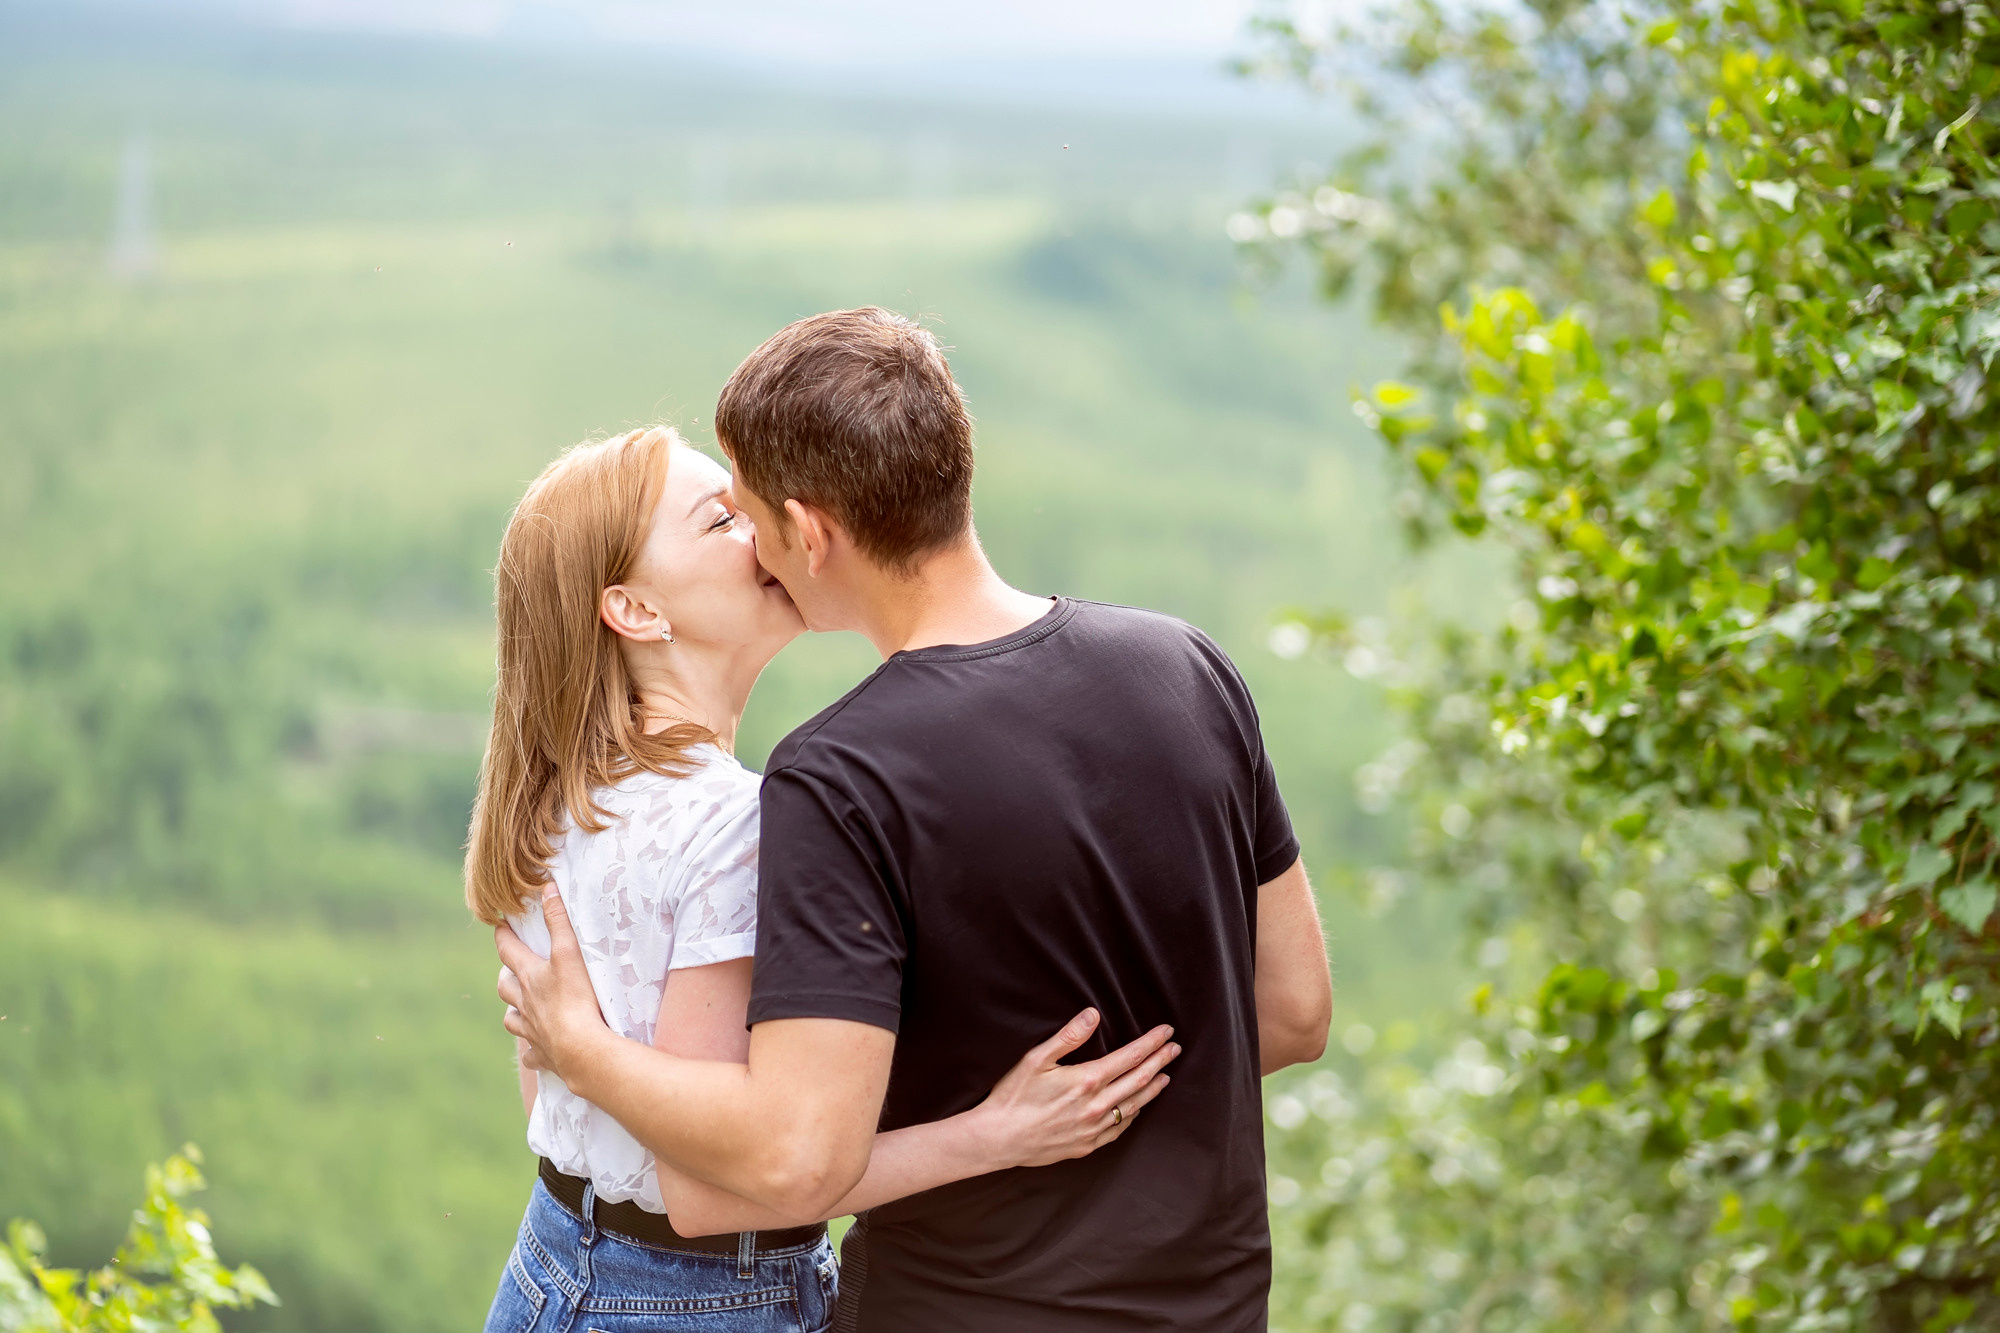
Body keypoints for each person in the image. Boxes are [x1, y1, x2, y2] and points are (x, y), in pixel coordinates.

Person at [499, 308, 1334, 1331]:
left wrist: (585, 1053)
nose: (749, 541)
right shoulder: (1188, 666)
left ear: (808, 533)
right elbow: (1292, 1013)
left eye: (745, 516)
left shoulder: (838, 776)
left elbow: (783, 1159)